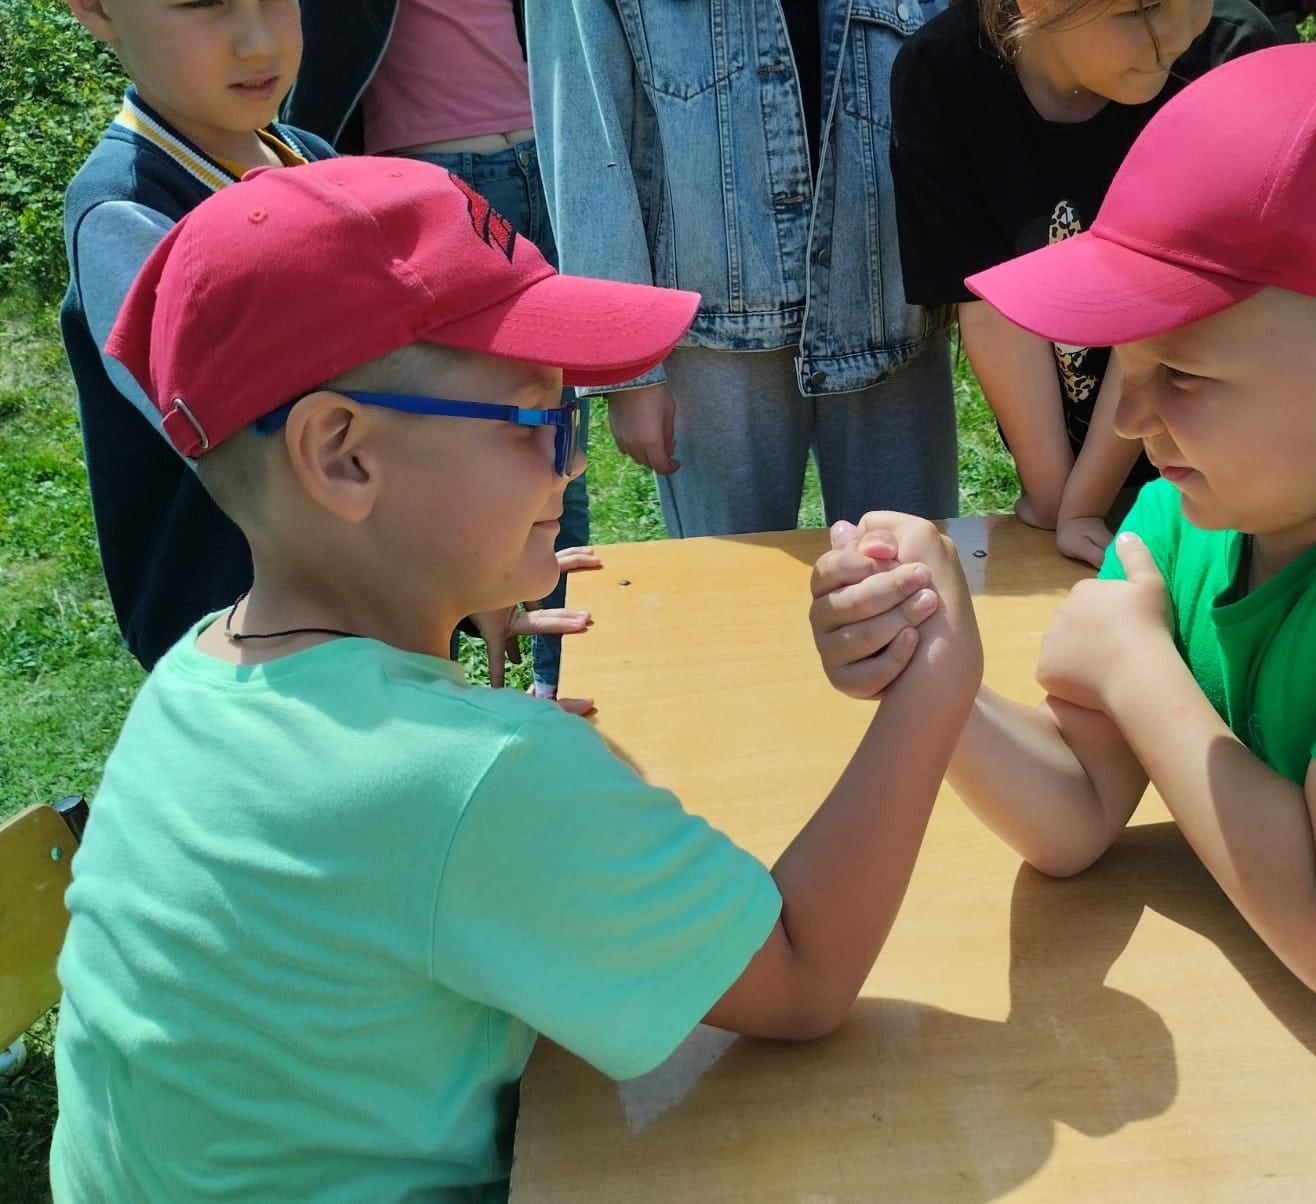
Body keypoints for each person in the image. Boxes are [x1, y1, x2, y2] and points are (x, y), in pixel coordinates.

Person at [50, 157, 984, 1199]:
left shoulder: (192, 679)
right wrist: (935, 680)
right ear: (342, 456)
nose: (575, 464)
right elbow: (806, 974)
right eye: (540, 420)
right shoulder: (472, 777)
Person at [817, 35, 1316, 1121]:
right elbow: (1082, 812)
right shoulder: (1196, 507)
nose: (1130, 420)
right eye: (1123, 366)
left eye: (1180, 371)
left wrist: (1138, 665)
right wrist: (933, 666)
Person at [530, 0, 960, 538]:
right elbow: (584, 116)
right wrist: (626, 365)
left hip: (888, 294)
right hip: (711, 321)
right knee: (723, 602)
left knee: (914, 588)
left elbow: (958, 46)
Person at [890, 0, 1279, 564]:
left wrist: (1081, 503)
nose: (1176, 35)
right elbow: (988, 299)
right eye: (1142, 10)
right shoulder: (941, 72)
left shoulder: (1230, 54)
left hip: (1227, 471)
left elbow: (1172, 299)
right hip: (1072, 461)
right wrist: (1057, 498)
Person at [287, 0, 592, 699]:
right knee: (441, 441)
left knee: (554, 428)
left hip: (545, 153)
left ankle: (559, 679)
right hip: (430, 176)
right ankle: (437, 686)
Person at [59, 0, 334, 669]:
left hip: (368, 610)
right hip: (251, 652)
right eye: (202, 4)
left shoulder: (311, 158)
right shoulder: (129, 214)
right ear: (96, 9)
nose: (258, 41)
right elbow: (257, 461)